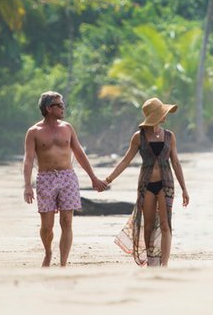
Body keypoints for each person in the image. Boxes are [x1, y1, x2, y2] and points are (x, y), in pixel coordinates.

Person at [23, 91, 107, 267]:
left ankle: (63, 263)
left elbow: (79, 153)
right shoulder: (34, 132)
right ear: (48, 108)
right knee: (47, 225)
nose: (63, 108)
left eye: (63, 105)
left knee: (67, 221)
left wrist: (93, 177)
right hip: (45, 178)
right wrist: (27, 185)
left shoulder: (67, 128)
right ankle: (47, 252)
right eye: (59, 105)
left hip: (68, 177)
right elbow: (29, 159)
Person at [104, 97, 190, 266]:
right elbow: (125, 160)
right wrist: (108, 179)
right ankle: (152, 262)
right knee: (149, 225)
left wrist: (184, 189)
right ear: (155, 115)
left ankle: (164, 265)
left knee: (166, 225)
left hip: (166, 184)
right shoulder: (139, 137)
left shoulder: (169, 136)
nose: (165, 115)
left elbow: (176, 163)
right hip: (146, 185)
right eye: (162, 112)